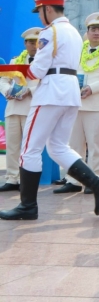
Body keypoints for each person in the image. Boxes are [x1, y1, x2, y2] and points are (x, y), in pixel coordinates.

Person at [0, 0, 99, 220]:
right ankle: (98, 184)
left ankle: (28, 206)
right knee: (58, 147)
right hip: (69, 91)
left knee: (30, 149)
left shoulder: (50, 31)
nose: (40, 18)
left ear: (47, 10)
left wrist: (12, 73)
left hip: (51, 91)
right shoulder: (72, 31)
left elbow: (38, 70)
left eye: (40, 13)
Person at [51, 13, 99, 195]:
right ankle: (74, 180)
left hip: (97, 103)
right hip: (75, 102)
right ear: (87, 31)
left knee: (95, 144)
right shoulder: (78, 49)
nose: (96, 33)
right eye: (93, 29)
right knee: (74, 144)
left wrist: (93, 87)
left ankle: (95, 179)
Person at [0, 28, 40, 192]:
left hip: (32, 107)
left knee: (29, 148)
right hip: (14, 107)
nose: (34, 46)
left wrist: (29, 90)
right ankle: (12, 178)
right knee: (12, 146)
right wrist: (7, 90)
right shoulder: (16, 60)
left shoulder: (45, 62)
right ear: (25, 44)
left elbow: (47, 83)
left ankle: (26, 179)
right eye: (31, 42)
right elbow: (3, 79)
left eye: (37, 42)